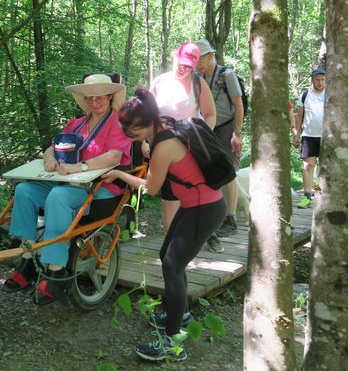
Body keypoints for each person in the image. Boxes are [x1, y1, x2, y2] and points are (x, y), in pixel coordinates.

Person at [103, 88, 226, 362]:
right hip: (195, 205)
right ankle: (178, 312)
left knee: (172, 265)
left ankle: (172, 343)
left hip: (204, 208)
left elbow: (152, 188)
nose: (128, 134)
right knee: (166, 257)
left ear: (149, 123)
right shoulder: (165, 125)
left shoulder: (163, 146)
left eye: (133, 130)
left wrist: (118, 175)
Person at [3, 73, 131, 305]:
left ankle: (55, 271)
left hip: (101, 188)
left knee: (58, 196)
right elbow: (51, 147)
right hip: (68, 184)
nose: (94, 103)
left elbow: (114, 156)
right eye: (90, 98)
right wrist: (49, 158)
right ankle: (28, 261)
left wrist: (79, 166)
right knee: (24, 190)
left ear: (110, 96)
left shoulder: (118, 123)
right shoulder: (76, 123)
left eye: (100, 97)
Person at [149, 42, 216, 231]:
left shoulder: (198, 83)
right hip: (162, 147)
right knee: (169, 196)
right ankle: (171, 243)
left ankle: (194, 237)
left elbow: (210, 114)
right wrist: (148, 142)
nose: (183, 68)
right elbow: (148, 114)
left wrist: (202, 135)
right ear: (174, 58)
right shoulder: (160, 82)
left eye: (188, 66)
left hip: (189, 148)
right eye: (181, 63)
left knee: (191, 193)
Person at [195, 39, 243, 247]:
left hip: (226, 128)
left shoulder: (227, 75)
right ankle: (215, 215)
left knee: (228, 171)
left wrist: (237, 133)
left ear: (210, 56)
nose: (198, 64)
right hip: (208, 128)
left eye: (200, 59)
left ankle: (230, 218)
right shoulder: (199, 77)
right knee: (210, 172)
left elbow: (238, 106)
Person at [294, 68, 326, 208]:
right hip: (308, 135)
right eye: (317, 79)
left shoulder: (330, 94)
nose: (320, 82)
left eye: (323, 80)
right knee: (308, 165)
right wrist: (296, 134)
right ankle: (307, 197)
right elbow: (299, 116)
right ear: (312, 80)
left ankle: (324, 197)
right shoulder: (305, 95)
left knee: (325, 167)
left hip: (327, 136)